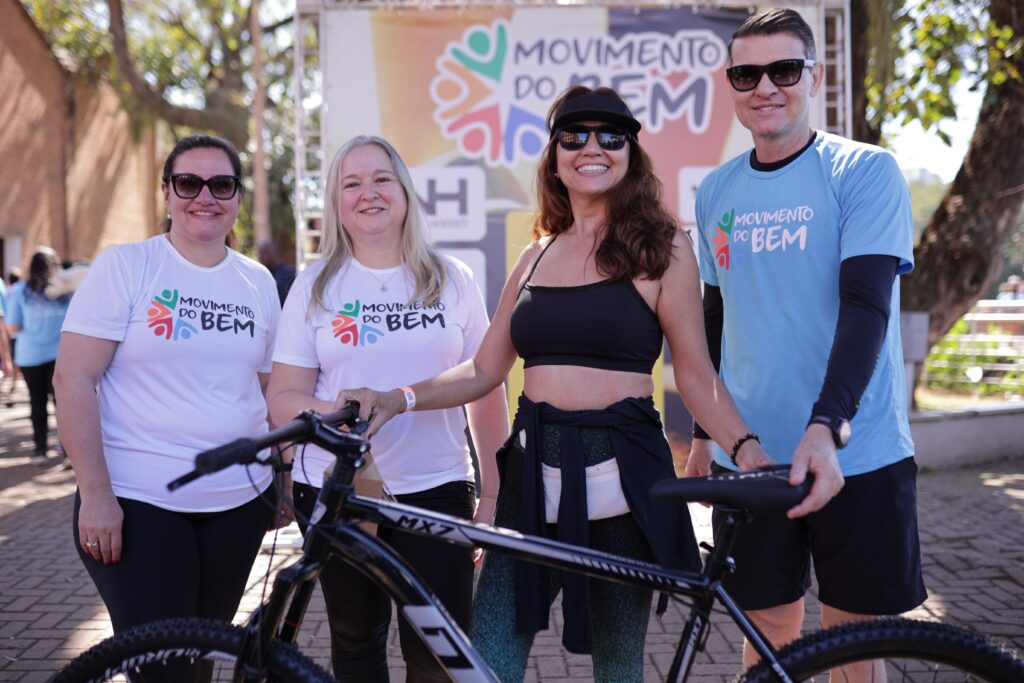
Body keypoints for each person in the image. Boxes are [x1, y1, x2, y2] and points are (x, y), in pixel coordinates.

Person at [335, 87, 770, 682]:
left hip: (624, 475)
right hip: (531, 471)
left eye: (610, 135)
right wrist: (399, 398)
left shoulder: (662, 248)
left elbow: (695, 374)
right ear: (556, 155)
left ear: (630, 153)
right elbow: (485, 369)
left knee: (619, 668)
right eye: (574, 135)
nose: (592, 147)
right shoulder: (536, 255)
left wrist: (747, 451)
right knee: (488, 658)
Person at [686, 8, 927, 680]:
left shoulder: (865, 171)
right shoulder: (716, 191)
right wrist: (705, 433)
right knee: (769, 640)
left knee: (853, 645)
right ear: (731, 84)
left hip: (859, 450)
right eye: (746, 73)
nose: (765, 86)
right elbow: (715, 312)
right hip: (754, 459)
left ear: (812, 76)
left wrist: (828, 424)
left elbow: (866, 306)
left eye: (783, 69)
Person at [266, 135, 509, 682]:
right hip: (340, 491)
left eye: (381, 179)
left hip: (439, 490)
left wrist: (494, 493)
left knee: (438, 656)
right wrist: (341, 407)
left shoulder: (453, 279)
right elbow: (282, 397)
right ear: (335, 202)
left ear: (404, 191)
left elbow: (486, 388)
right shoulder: (314, 286)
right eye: (351, 183)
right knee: (356, 643)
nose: (367, 193)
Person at [53, 134, 282, 663]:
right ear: (166, 192)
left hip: (240, 503)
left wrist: (282, 479)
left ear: (238, 198)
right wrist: (96, 494)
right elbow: (73, 380)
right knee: (162, 663)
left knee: (200, 654)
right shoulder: (126, 266)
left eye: (221, 184)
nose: (205, 196)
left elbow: (266, 391)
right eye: (189, 182)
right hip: (139, 500)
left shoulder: (258, 281)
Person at [6, 247, 70, 465]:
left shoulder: (20, 291)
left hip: (29, 356)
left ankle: (40, 450)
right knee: (64, 403)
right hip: (62, 356)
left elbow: (12, 326)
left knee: (37, 402)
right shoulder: (66, 290)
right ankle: (69, 450)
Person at [257, 237, 296, 305]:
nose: (261, 257)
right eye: (259, 253)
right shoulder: (261, 276)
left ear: (273, 251)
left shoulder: (290, 274)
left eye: (264, 252)